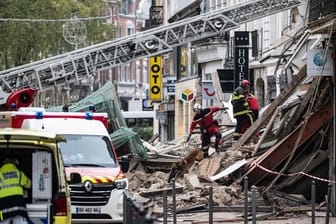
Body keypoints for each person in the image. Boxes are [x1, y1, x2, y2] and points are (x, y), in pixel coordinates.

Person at [0, 157, 31, 224]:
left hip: (3, 206)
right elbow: (28, 184)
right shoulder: (19, 173)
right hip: (18, 205)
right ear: (14, 163)